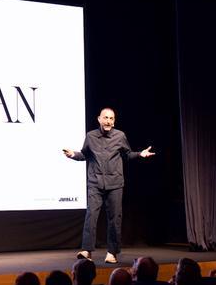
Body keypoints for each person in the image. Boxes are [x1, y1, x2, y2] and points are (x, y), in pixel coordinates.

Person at [62, 107, 154, 264]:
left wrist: (140, 154)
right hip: (95, 182)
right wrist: (73, 155)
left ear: (114, 121)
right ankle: (86, 251)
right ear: (99, 119)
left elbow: (127, 155)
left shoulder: (120, 136)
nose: (108, 121)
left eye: (111, 118)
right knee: (91, 215)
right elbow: (85, 154)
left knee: (114, 218)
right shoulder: (90, 136)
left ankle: (112, 252)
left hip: (115, 184)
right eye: (105, 118)